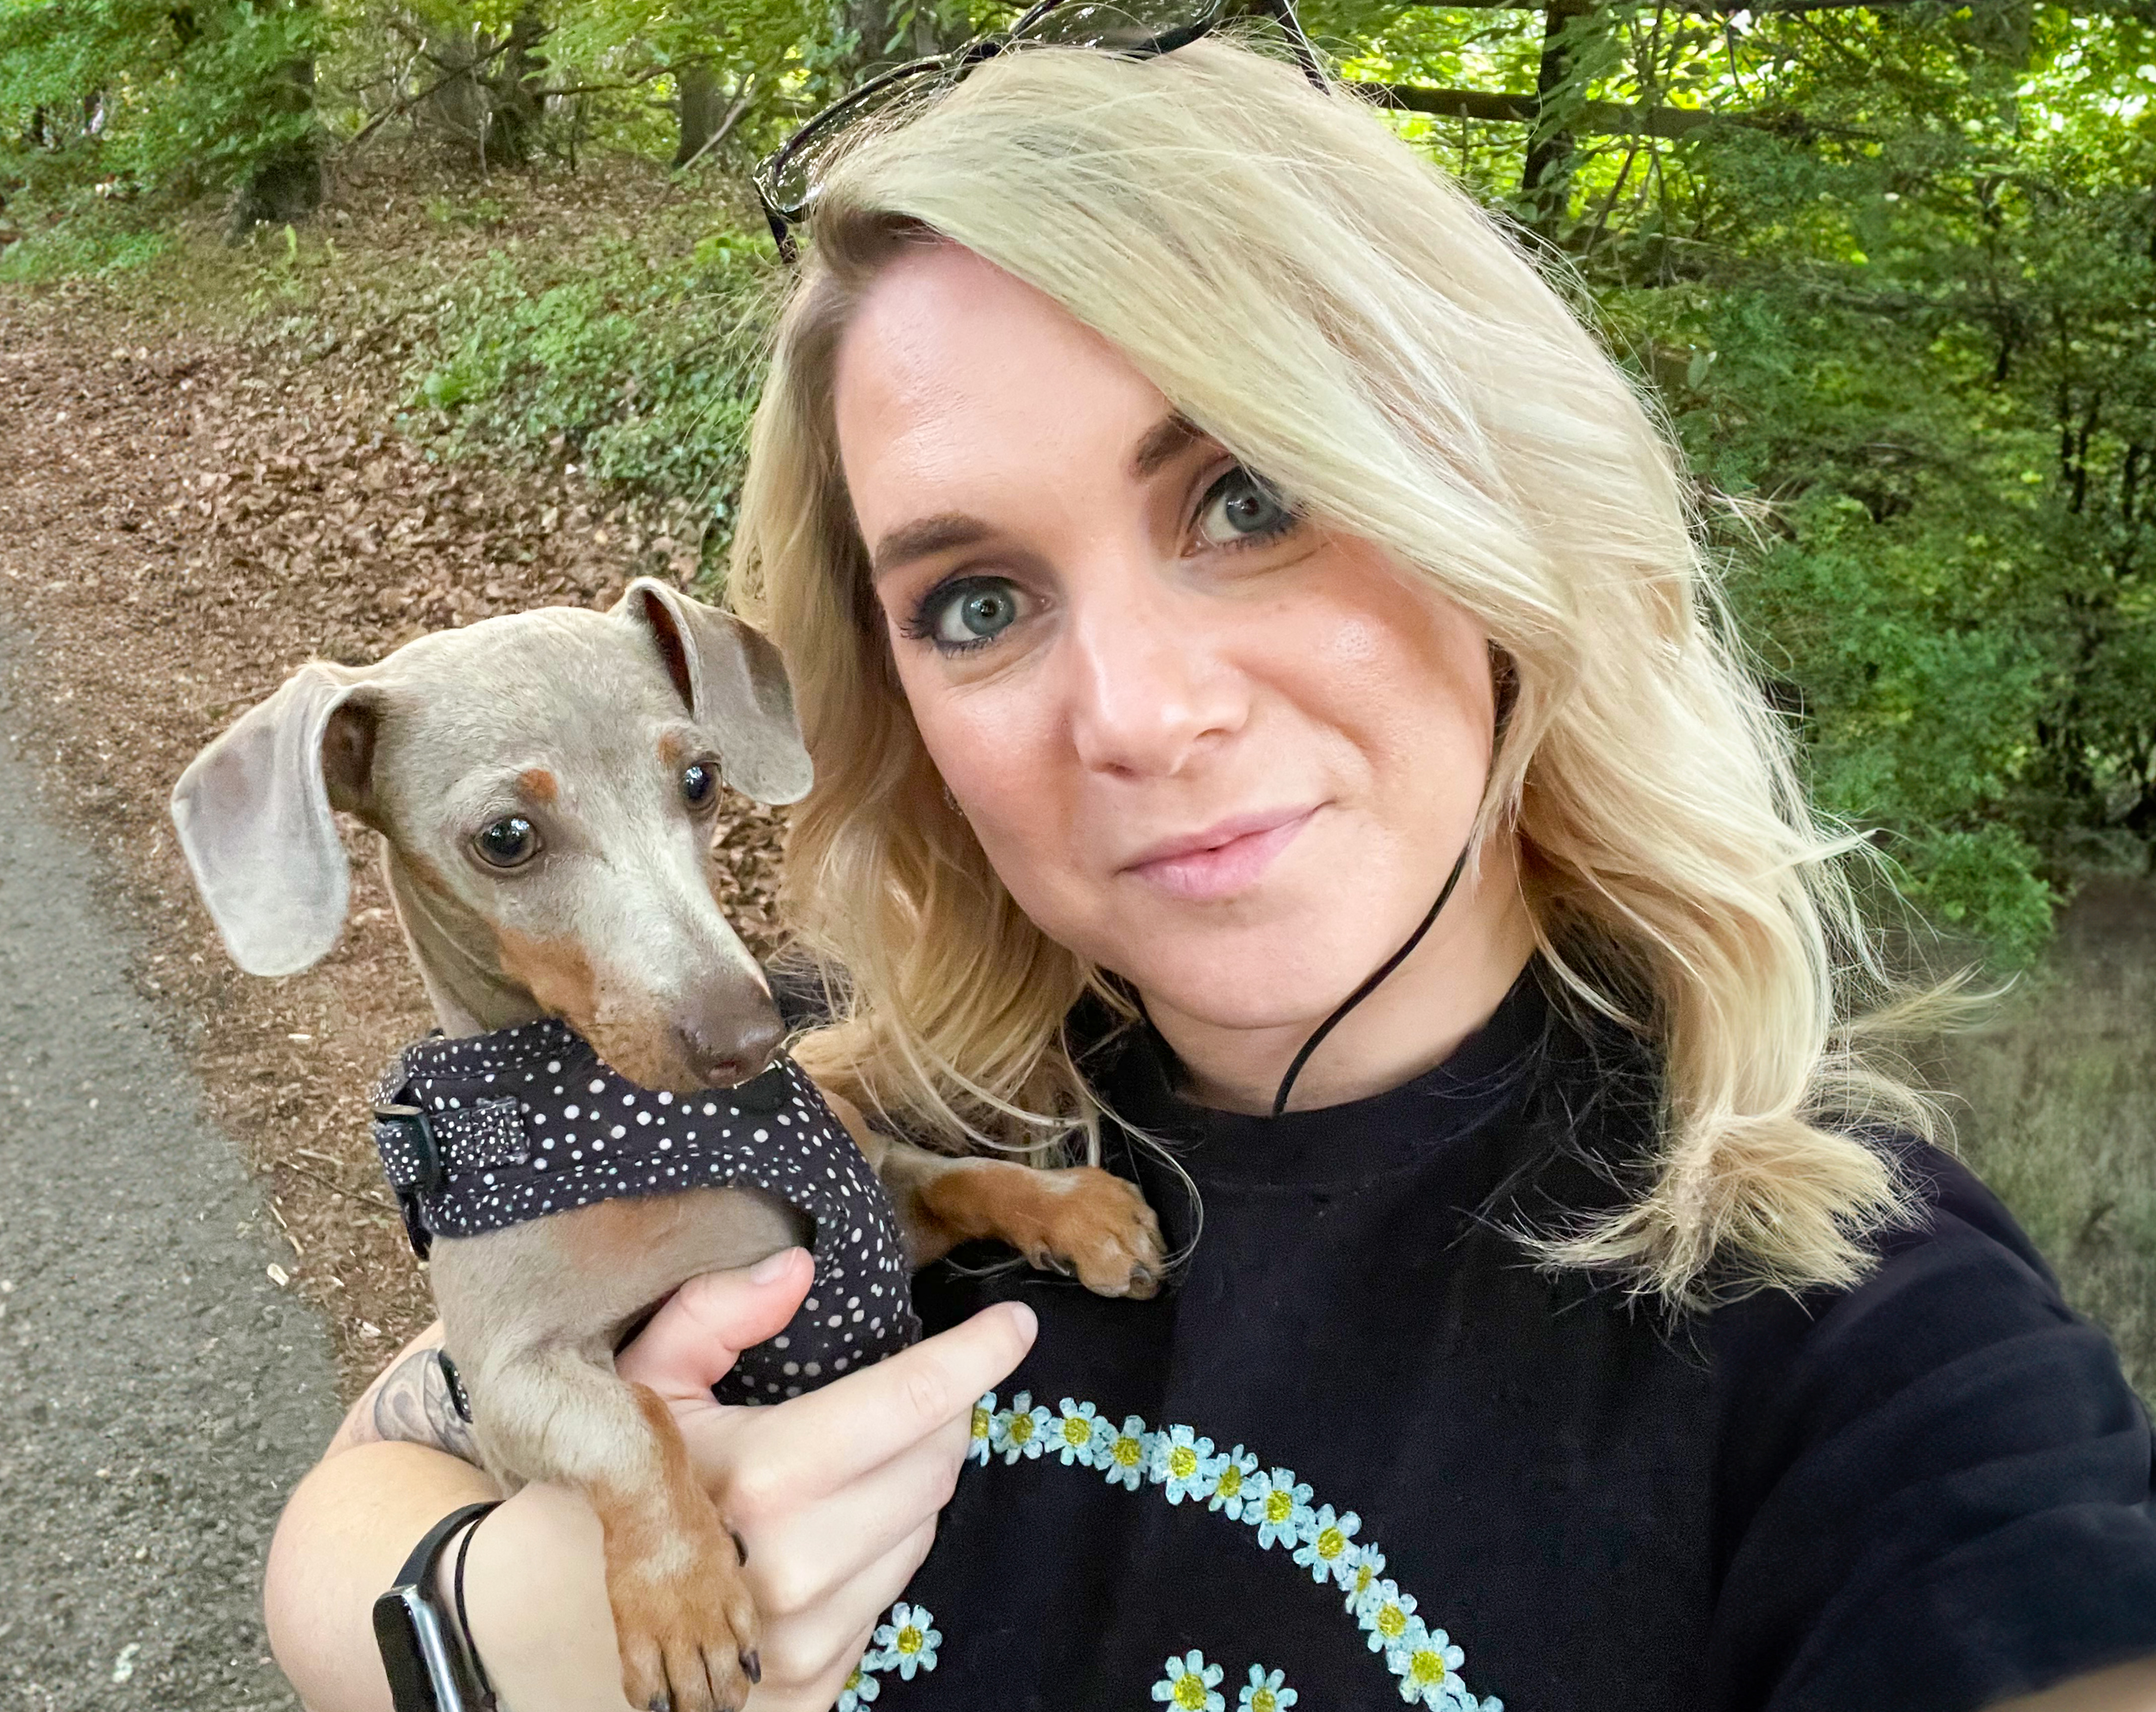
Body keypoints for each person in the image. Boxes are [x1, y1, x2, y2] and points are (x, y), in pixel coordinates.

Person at [262, 19, 2156, 1712]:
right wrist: (484, 1626)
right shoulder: (828, 1081)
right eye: (979, 598)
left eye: (1249, 498)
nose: (1140, 714)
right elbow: (379, 1469)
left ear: (1495, 496)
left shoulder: (1857, 1337)